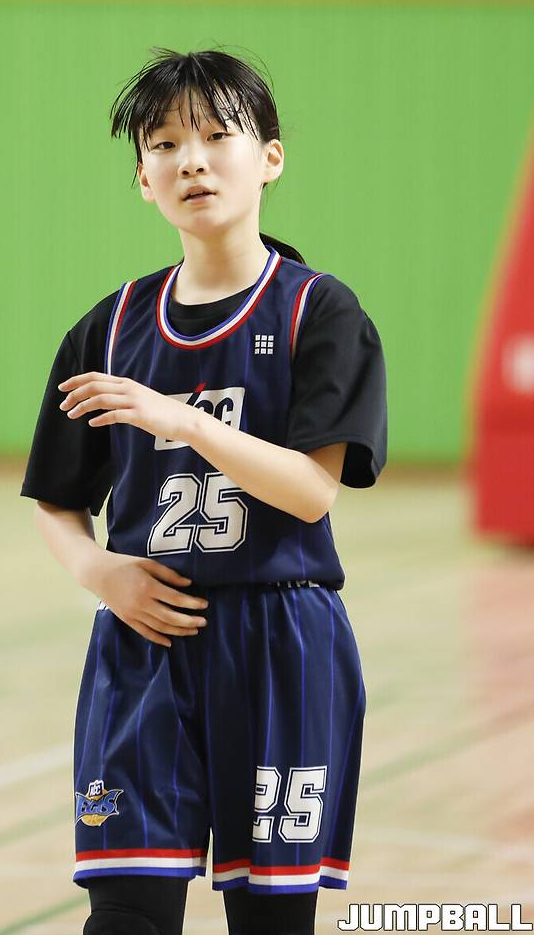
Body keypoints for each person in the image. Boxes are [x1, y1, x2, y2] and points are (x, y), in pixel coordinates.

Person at [20, 46, 388, 935]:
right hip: (144, 641)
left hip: (280, 642)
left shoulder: (319, 312)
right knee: (127, 912)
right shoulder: (109, 328)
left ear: (270, 157)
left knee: (270, 919)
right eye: (164, 144)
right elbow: (55, 496)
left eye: (219, 136)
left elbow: (311, 491)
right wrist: (100, 572)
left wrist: (180, 419)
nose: (192, 160)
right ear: (142, 180)